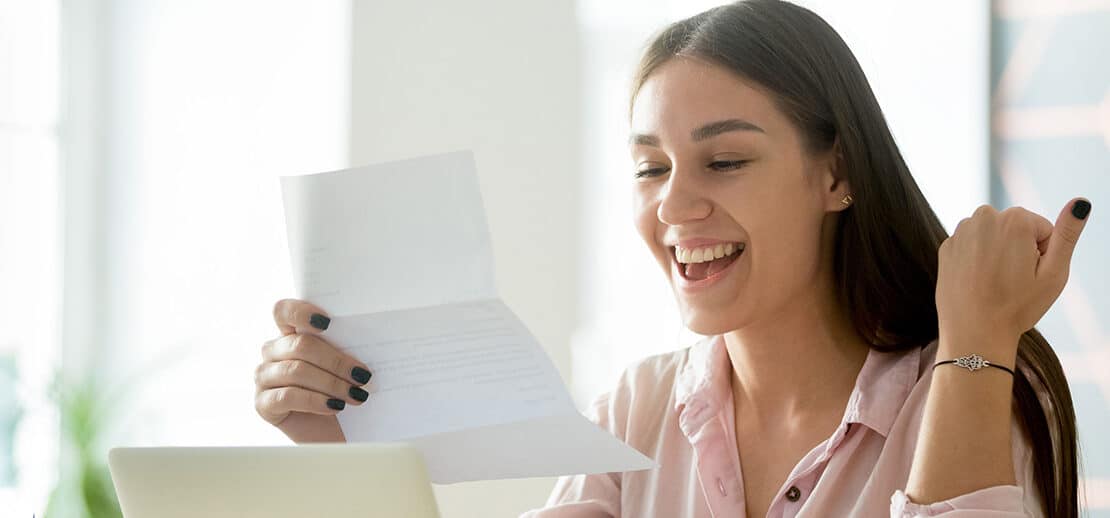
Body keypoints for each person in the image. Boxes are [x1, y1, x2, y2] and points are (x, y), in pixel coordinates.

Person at [253, 1, 1089, 516]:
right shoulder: (642, 410)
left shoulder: (973, 390)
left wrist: (977, 335)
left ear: (835, 173)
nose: (674, 205)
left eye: (724, 161)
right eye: (650, 168)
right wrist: (335, 439)